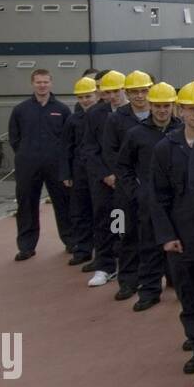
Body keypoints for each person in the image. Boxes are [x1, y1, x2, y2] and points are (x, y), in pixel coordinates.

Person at [151, 80, 194, 387]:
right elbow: (158, 195)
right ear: (181, 110)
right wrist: (166, 235)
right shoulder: (166, 148)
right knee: (190, 296)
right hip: (182, 235)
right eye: (191, 109)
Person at [116, 81, 182, 312]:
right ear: (151, 106)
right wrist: (136, 192)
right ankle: (149, 291)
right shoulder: (136, 134)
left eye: (167, 106)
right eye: (158, 106)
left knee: (180, 247)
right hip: (149, 201)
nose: (162, 110)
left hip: (177, 201)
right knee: (149, 246)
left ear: (173, 106)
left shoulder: (181, 131)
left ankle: (181, 288)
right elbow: (123, 167)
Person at [8, 68, 72, 261]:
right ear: (32, 84)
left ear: (51, 83)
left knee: (63, 204)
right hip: (28, 167)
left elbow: (68, 139)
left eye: (45, 82)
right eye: (38, 82)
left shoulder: (62, 110)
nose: (42, 85)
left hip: (56, 167)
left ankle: (71, 240)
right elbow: (14, 138)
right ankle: (26, 246)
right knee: (26, 205)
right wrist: (26, 155)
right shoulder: (20, 110)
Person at [103, 70, 154, 301]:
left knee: (157, 233)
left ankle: (161, 278)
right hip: (127, 188)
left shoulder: (161, 114)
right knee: (126, 233)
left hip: (156, 187)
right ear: (128, 93)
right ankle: (128, 280)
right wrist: (125, 180)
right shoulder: (116, 119)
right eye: (135, 92)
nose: (140, 96)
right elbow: (110, 151)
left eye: (144, 91)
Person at [80, 70, 125, 287]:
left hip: (126, 180)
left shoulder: (132, 114)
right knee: (103, 221)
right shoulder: (95, 115)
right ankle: (104, 266)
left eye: (117, 91)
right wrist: (106, 174)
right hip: (103, 180)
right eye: (109, 92)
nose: (113, 96)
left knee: (127, 224)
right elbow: (89, 148)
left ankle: (127, 268)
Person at [63, 76, 99, 266]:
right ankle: (83, 248)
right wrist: (66, 173)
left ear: (96, 95)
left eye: (89, 96)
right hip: (79, 171)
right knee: (80, 211)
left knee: (101, 213)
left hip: (98, 171)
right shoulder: (73, 120)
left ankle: (108, 249)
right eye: (81, 97)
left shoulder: (104, 116)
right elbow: (66, 147)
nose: (85, 100)